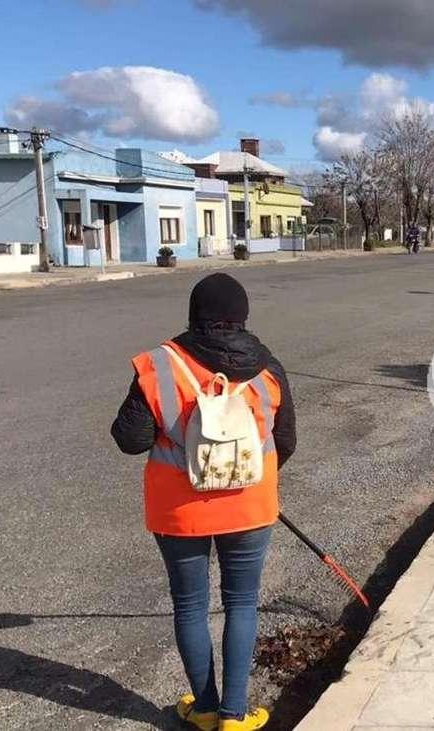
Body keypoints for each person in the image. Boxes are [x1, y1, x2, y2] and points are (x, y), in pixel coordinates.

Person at [111, 273, 296, 731]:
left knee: (190, 605)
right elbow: (286, 442)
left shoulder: (161, 365)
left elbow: (130, 439)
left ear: (194, 314)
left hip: (180, 510)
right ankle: (235, 715)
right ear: (242, 316)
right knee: (242, 602)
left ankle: (205, 708)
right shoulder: (268, 368)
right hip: (249, 505)